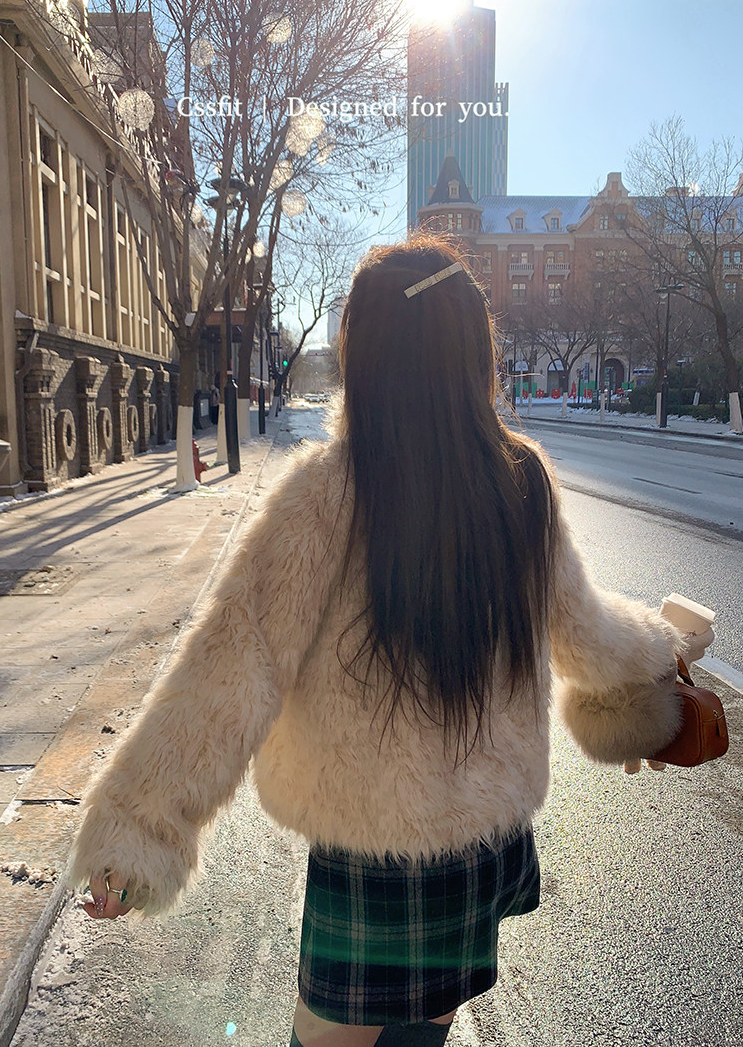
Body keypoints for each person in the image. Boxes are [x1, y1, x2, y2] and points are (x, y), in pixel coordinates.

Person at [69, 235, 691, 1047]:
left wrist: (136, 830)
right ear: (474, 354)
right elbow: (588, 634)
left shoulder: (327, 493)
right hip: (480, 842)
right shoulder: (520, 483)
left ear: (364, 355)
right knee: (425, 1029)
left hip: (370, 847)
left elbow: (233, 667)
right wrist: (660, 649)